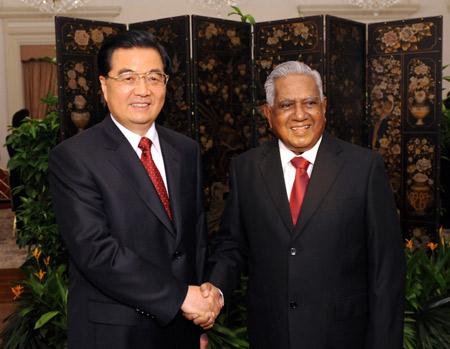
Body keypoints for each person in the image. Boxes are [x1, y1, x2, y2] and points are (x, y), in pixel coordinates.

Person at [207, 61, 405, 348]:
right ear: (268, 113)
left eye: (310, 102)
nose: (300, 115)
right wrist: (215, 290)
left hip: (345, 337)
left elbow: (386, 269)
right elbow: (232, 245)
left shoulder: (363, 167)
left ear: (324, 107)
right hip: (271, 335)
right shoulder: (246, 168)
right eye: (287, 105)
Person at [49, 30, 222, 349]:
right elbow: (96, 251)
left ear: (166, 84)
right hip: (116, 332)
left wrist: (198, 320)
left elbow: (194, 238)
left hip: (181, 327)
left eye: (154, 77)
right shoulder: (74, 157)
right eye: (128, 77)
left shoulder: (185, 150)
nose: (143, 90)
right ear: (104, 85)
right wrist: (182, 297)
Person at [6, 108, 29, 212]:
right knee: (23, 203)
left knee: (20, 203)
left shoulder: (9, 137)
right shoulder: (25, 138)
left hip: (15, 172)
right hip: (23, 172)